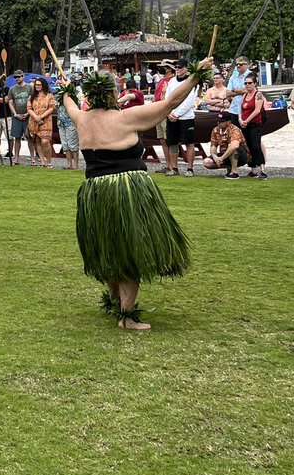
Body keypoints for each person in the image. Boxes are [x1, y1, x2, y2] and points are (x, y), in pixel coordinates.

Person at [58, 59, 212, 330]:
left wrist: (67, 91)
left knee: (110, 249)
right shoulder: (125, 117)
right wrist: (195, 77)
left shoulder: (80, 118)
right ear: (111, 93)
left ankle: (115, 301)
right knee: (130, 251)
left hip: (95, 193)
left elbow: (68, 103)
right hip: (125, 191)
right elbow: (170, 103)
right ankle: (127, 317)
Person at [163, 59, 200, 177]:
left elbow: (190, 101)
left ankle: (190, 168)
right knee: (172, 142)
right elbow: (167, 98)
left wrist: (177, 114)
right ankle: (174, 167)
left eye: (180, 67)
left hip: (186, 117)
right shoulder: (172, 81)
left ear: (186, 68)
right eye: (176, 67)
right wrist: (169, 112)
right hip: (171, 115)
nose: (177, 69)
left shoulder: (192, 82)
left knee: (189, 142)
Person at [238, 72, 269, 179]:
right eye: (245, 83)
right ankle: (253, 169)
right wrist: (240, 119)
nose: (247, 85)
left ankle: (262, 168)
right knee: (248, 145)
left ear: (255, 83)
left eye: (249, 83)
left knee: (256, 145)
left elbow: (257, 110)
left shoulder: (258, 94)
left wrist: (246, 120)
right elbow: (241, 109)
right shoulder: (245, 95)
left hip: (255, 123)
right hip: (245, 123)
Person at [202, 113, 248, 178]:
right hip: (225, 154)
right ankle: (229, 167)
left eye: (221, 121)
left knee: (232, 147)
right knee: (207, 162)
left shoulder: (235, 130)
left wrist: (222, 158)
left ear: (228, 122)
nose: (218, 123)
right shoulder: (215, 130)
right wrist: (215, 157)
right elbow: (213, 146)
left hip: (241, 156)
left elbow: (234, 146)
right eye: (218, 121)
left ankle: (234, 172)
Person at [27, 76, 56, 168]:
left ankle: (49, 161)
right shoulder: (32, 97)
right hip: (34, 120)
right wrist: (36, 117)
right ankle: (42, 161)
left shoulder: (49, 96)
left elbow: (51, 108)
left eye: (39, 85)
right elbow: (29, 108)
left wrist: (41, 117)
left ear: (43, 85)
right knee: (37, 141)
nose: (37, 86)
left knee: (45, 141)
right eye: (36, 85)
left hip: (46, 121)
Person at [152, 61, 176, 170]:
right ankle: (168, 164)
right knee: (162, 140)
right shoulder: (161, 80)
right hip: (158, 111)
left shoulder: (173, 81)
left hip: (167, 111)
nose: (161, 69)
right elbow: (156, 95)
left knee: (168, 140)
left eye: (164, 67)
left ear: (169, 69)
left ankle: (172, 165)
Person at [55, 75, 80, 170]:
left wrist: (66, 84)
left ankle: (76, 165)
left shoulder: (73, 95)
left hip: (70, 123)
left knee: (72, 144)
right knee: (65, 144)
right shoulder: (60, 96)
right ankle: (69, 164)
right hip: (61, 122)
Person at [7, 71, 32, 165]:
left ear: (23, 77)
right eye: (15, 77)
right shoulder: (12, 89)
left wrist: (28, 113)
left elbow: (32, 101)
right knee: (17, 138)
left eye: (18, 77)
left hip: (28, 115)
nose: (17, 78)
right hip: (16, 117)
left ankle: (33, 158)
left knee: (29, 137)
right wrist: (15, 114)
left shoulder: (30, 87)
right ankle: (16, 158)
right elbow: (10, 103)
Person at [224, 56, 252, 123]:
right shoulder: (233, 77)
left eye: (240, 64)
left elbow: (248, 90)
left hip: (248, 110)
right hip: (234, 110)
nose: (238, 66)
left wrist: (234, 90)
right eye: (237, 64)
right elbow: (227, 93)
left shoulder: (251, 75)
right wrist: (241, 91)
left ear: (247, 65)